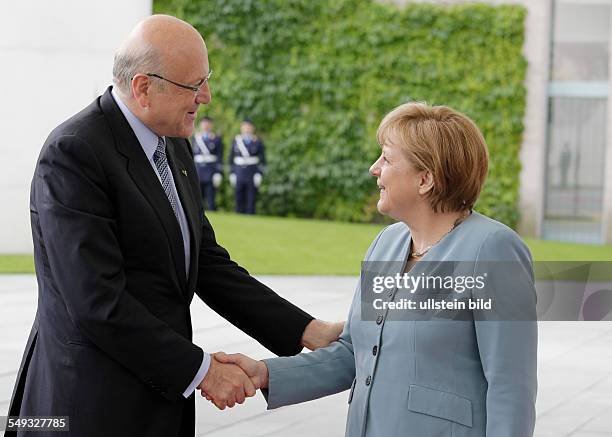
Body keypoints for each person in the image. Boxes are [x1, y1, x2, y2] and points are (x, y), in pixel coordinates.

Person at [5, 15, 343, 437]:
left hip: (159, 400)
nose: (207, 96)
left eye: (207, 80)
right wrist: (203, 372)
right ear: (144, 87)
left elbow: (206, 263)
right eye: (194, 84)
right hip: (89, 405)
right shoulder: (74, 153)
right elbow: (97, 302)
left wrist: (308, 331)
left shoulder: (172, 144)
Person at [215, 102, 538, 437]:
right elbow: (354, 353)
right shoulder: (386, 243)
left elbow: (511, 386)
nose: (374, 169)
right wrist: (264, 373)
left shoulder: (495, 249)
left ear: (425, 178)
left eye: (386, 158)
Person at [229, 119, 265, 214]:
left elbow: (262, 160)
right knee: (239, 196)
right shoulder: (236, 141)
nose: (247, 129)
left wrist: (259, 173)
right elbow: (231, 158)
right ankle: (238, 214)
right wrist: (232, 172)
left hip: (251, 171)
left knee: (251, 196)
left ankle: (250, 214)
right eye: (245, 127)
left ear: (253, 128)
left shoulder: (257, 142)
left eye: (249, 127)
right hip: (239, 171)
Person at [192, 116, 224, 210]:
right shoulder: (196, 138)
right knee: (197, 196)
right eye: (204, 123)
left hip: (211, 170)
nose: (206, 126)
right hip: (198, 169)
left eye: (208, 123)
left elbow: (219, 157)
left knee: (211, 197)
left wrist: (218, 172)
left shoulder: (216, 139)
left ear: (211, 125)